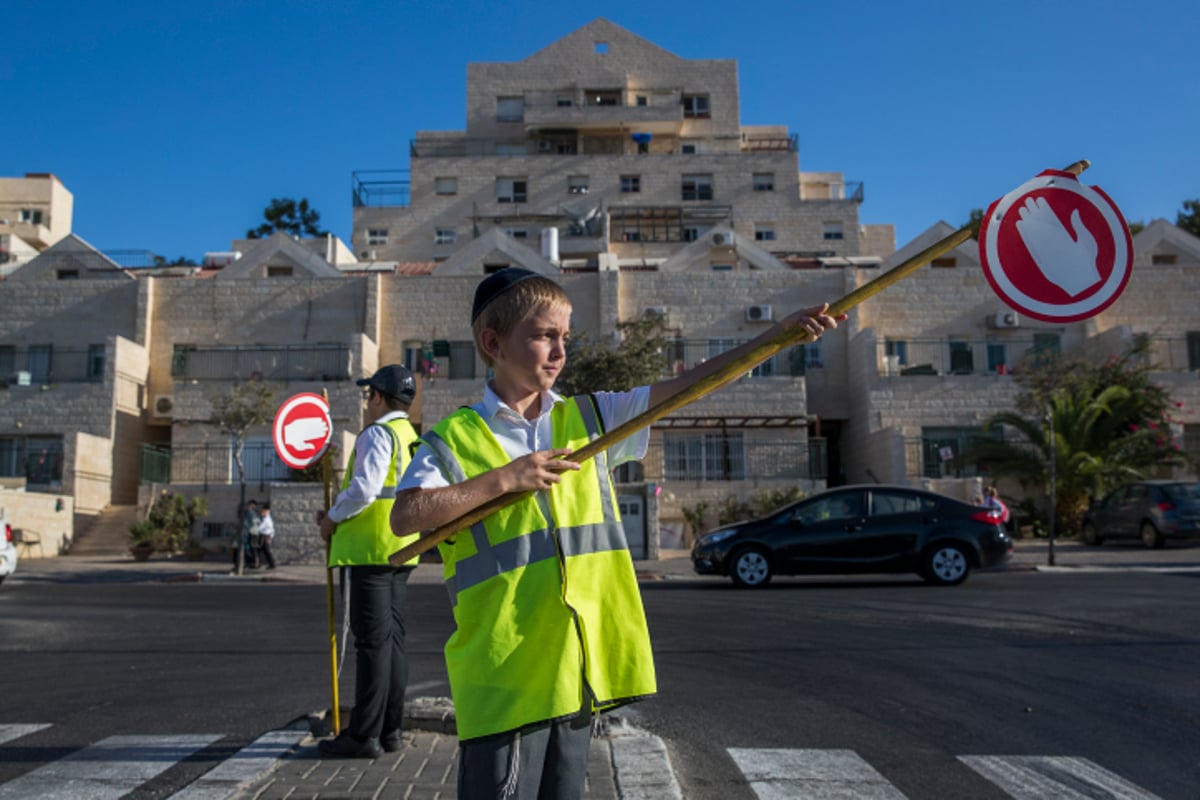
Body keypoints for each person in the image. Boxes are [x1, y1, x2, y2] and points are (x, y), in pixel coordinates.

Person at [390, 268, 845, 799]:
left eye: (566, 336)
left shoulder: (592, 417)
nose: (560, 351)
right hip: (506, 676)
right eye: (543, 336)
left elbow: (690, 386)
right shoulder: (456, 436)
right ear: (493, 343)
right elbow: (407, 516)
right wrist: (504, 479)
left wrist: (777, 337)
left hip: (579, 673)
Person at [317, 365, 422, 759]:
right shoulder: (411, 435)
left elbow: (365, 488)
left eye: (368, 395)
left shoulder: (378, 433)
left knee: (372, 645)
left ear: (378, 396)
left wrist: (331, 518)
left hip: (371, 550)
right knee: (392, 642)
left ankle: (364, 737)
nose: (366, 403)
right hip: (401, 548)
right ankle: (390, 730)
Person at [232, 498, 259, 571]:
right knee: (241, 550)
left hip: (246, 534)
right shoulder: (247, 513)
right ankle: (242, 564)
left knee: (245, 550)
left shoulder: (251, 513)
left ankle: (247, 563)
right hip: (244, 534)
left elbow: (250, 524)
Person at [257, 502, 276, 570]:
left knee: (264, 551)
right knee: (263, 551)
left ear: (267, 511)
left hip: (264, 536)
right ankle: (270, 564)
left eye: (263, 510)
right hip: (266, 536)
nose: (262, 512)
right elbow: (272, 530)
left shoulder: (266, 519)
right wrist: (271, 537)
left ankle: (272, 564)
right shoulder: (267, 518)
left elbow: (260, 528)